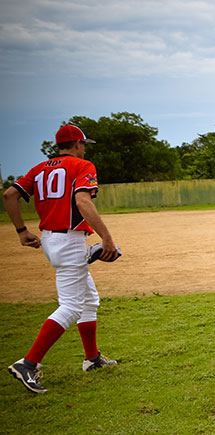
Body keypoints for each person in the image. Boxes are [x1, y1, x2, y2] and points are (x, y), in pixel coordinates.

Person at [4, 124, 120, 394]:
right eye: (83, 145)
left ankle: (92, 359)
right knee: (71, 306)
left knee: (89, 300)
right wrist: (106, 238)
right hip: (69, 241)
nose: (84, 149)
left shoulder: (38, 169)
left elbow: (10, 195)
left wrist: (22, 231)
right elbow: (83, 202)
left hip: (50, 239)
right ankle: (28, 363)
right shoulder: (82, 165)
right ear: (78, 144)